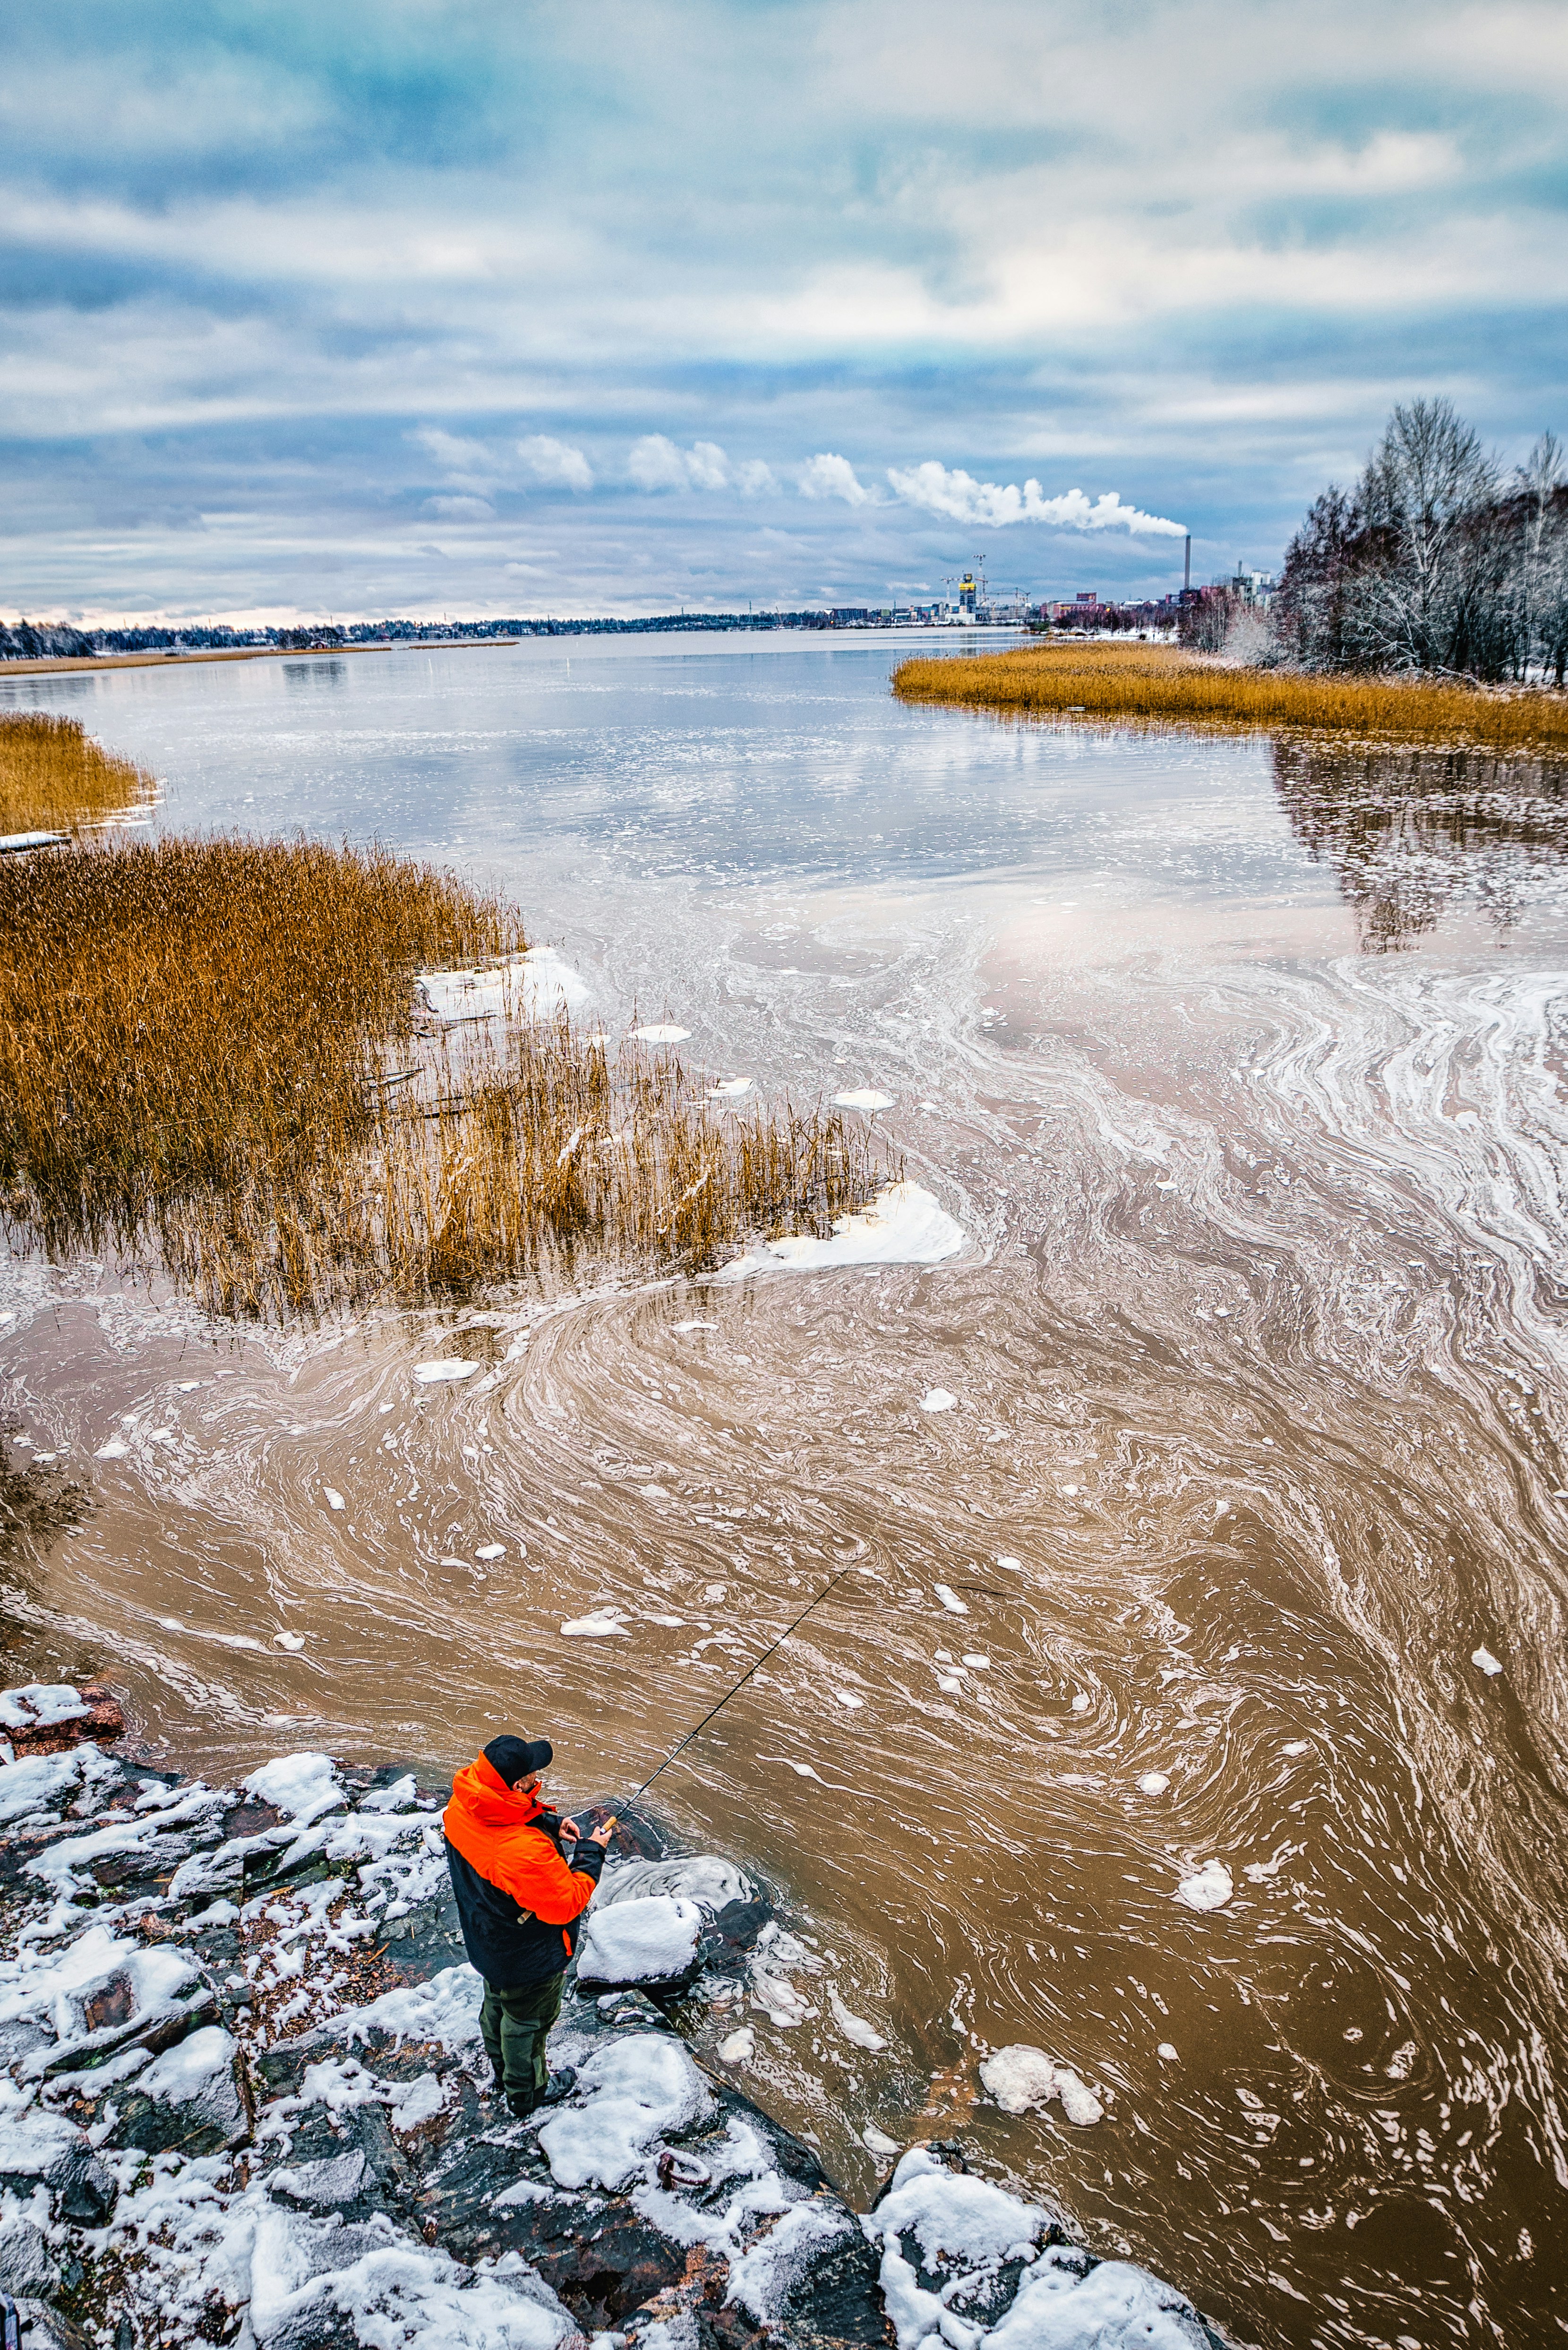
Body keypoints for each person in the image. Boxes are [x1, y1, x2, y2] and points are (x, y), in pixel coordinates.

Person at [442, 1732, 615, 2117]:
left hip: (487, 1939)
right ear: (518, 1784)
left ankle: (502, 2071)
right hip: (528, 1955)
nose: (538, 1777)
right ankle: (527, 2094)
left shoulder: (463, 1803)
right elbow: (566, 1904)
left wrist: (549, 1823)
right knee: (528, 2024)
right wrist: (591, 1853)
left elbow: (500, 1826)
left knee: (497, 2006)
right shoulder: (522, 1851)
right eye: (534, 1774)